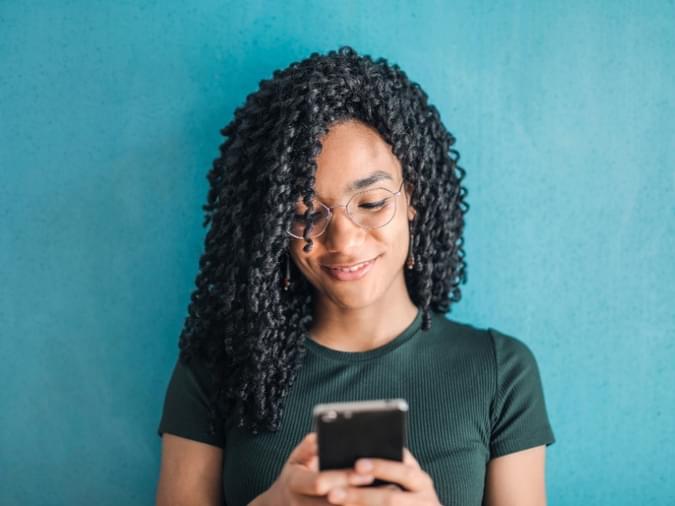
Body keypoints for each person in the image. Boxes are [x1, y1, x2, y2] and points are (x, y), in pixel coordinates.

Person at [155, 46, 555, 506]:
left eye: (371, 203)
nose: (343, 241)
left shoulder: (500, 371)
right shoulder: (216, 368)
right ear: (273, 228)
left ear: (413, 201)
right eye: (306, 214)